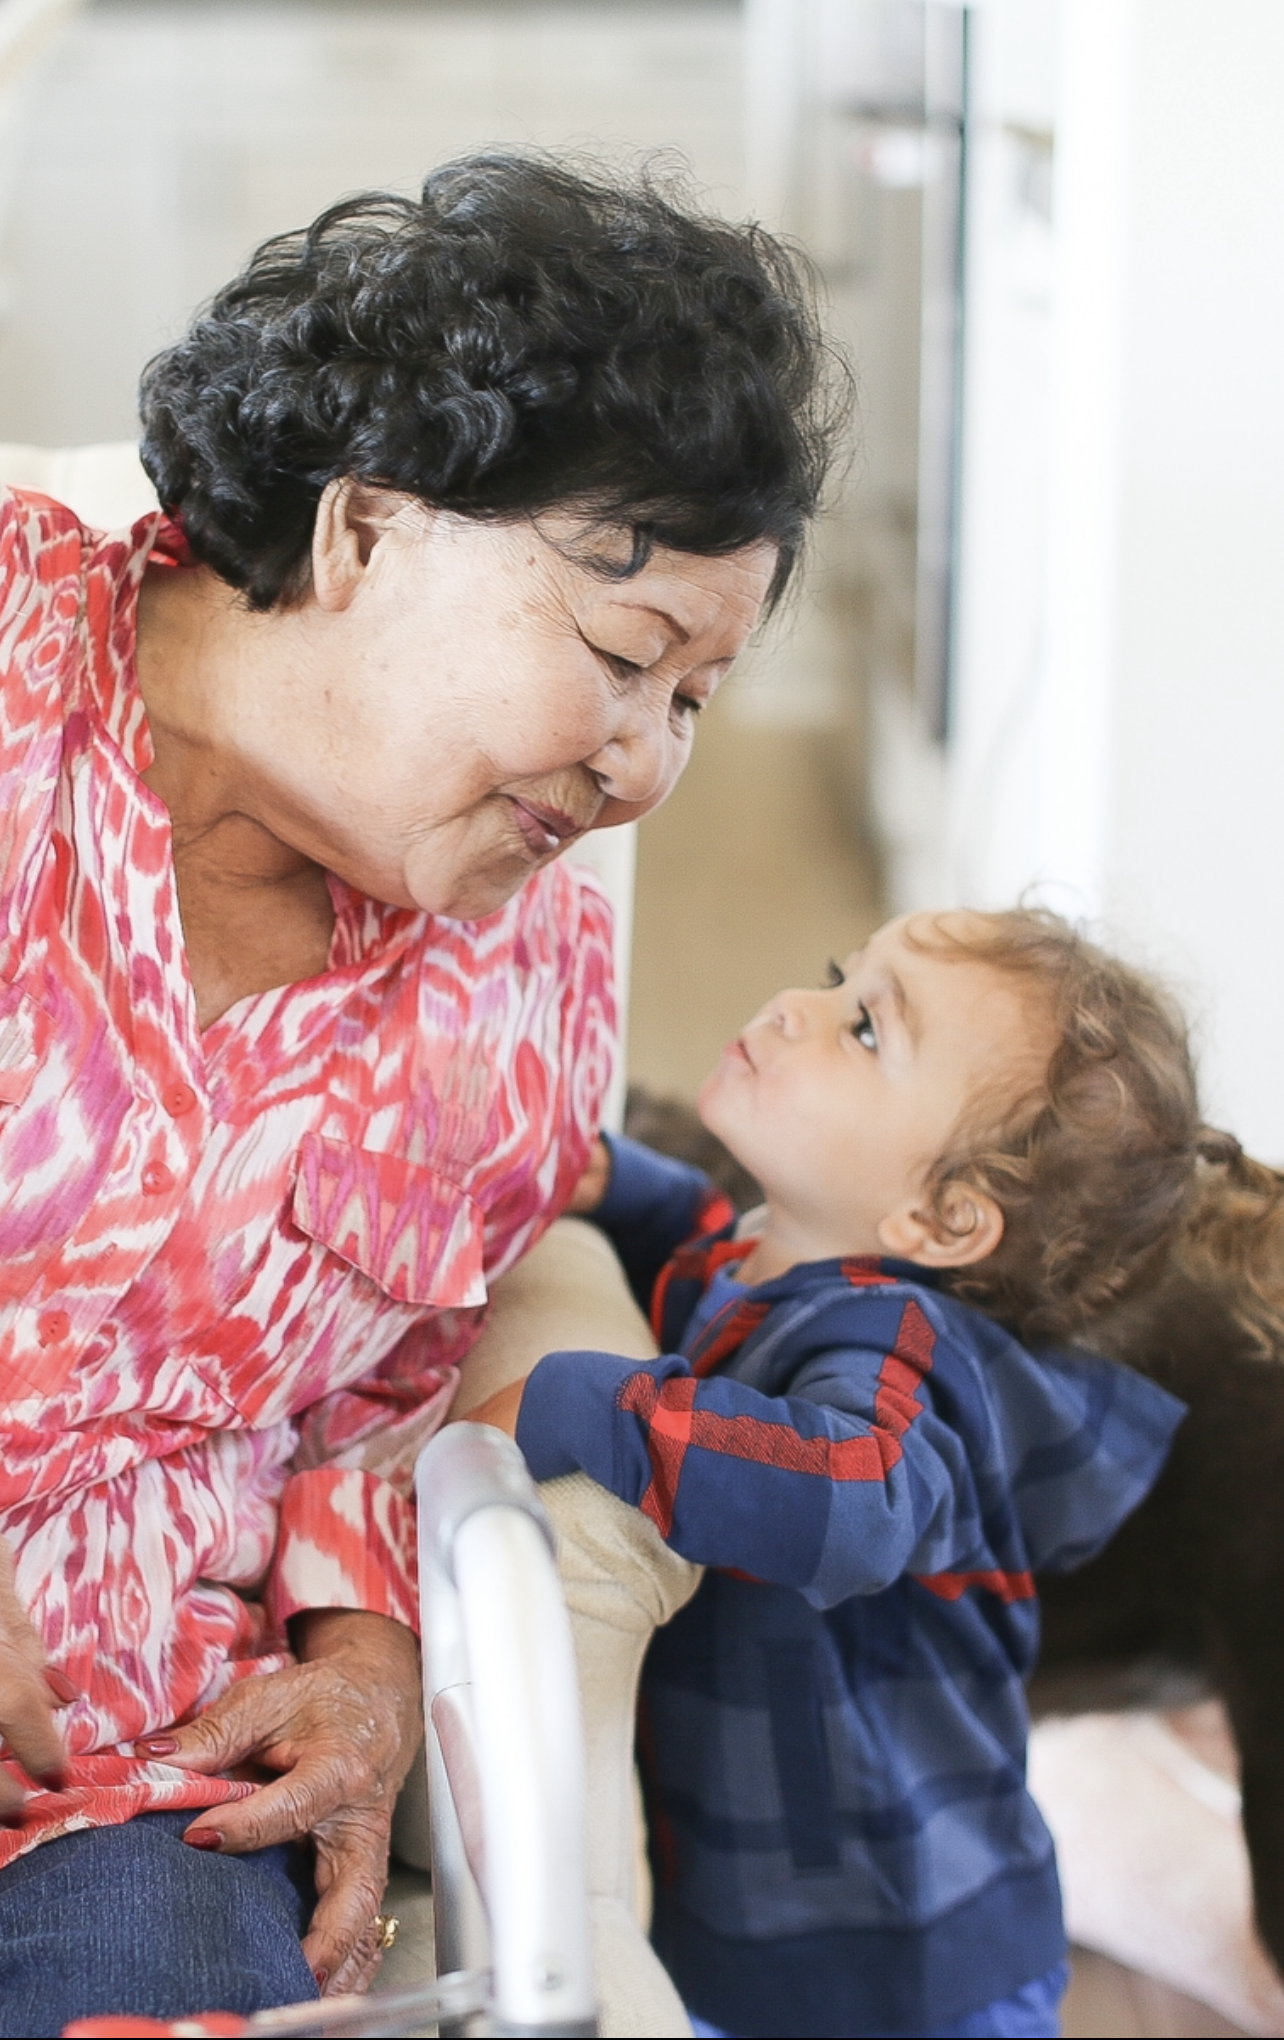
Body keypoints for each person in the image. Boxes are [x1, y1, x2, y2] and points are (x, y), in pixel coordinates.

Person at [0, 153, 842, 2035]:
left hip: (133, 1782)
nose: (639, 768)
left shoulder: (516, 967)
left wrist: (370, 1659)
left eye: (693, 703)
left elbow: (389, 1383)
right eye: (626, 657)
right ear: (367, 529)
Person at [473, 906, 1248, 2039]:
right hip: (753, 1903)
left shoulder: (901, 1350)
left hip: (897, 1962)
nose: (799, 1006)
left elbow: (854, 1496)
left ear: (940, 1217)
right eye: (842, 978)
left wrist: (589, 1405)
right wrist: (623, 1190)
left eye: (867, 1030)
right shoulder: (775, 1244)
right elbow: (711, 1253)